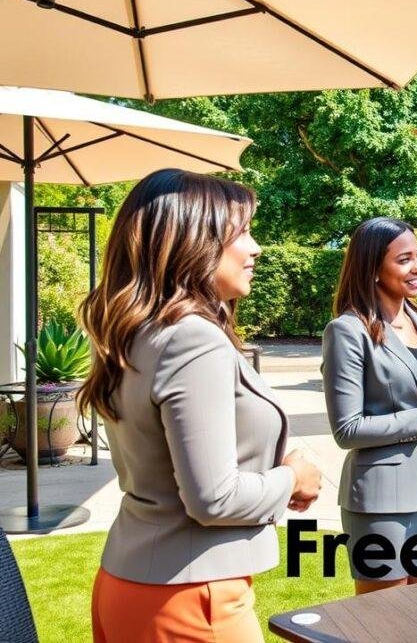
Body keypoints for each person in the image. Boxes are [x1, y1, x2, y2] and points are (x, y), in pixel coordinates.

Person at [81, 169, 322, 642]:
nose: (256, 248)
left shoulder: (133, 331)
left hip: (130, 584)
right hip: (191, 598)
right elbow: (213, 499)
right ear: (194, 241)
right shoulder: (193, 339)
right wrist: (294, 476)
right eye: (242, 233)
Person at [322, 217, 417, 595]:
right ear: (373, 268)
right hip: (381, 501)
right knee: (384, 623)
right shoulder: (347, 331)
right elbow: (348, 429)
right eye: (404, 259)